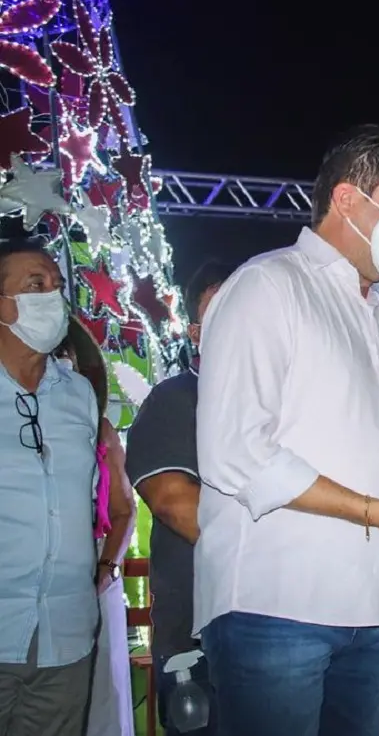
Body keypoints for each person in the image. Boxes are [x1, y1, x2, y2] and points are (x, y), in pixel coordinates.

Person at [194, 125, 379, 736]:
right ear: (347, 198)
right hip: (273, 604)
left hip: (373, 610)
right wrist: (376, 512)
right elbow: (234, 451)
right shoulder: (267, 285)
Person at [123, 260, 234, 736]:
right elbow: (175, 504)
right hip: (201, 636)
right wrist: (286, 555)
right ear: (195, 333)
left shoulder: (288, 402)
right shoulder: (175, 399)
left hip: (292, 625)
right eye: (220, 312)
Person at [0, 239, 102, 736]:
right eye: (35, 285)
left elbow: (92, 500)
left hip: (67, 637)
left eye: (57, 287)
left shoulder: (79, 394)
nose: (52, 298)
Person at [55, 318, 138, 736]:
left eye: (63, 356)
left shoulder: (100, 429)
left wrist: (105, 569)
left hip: (95, 575)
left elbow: (125, 510)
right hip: (26, 584)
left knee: (103, 695)